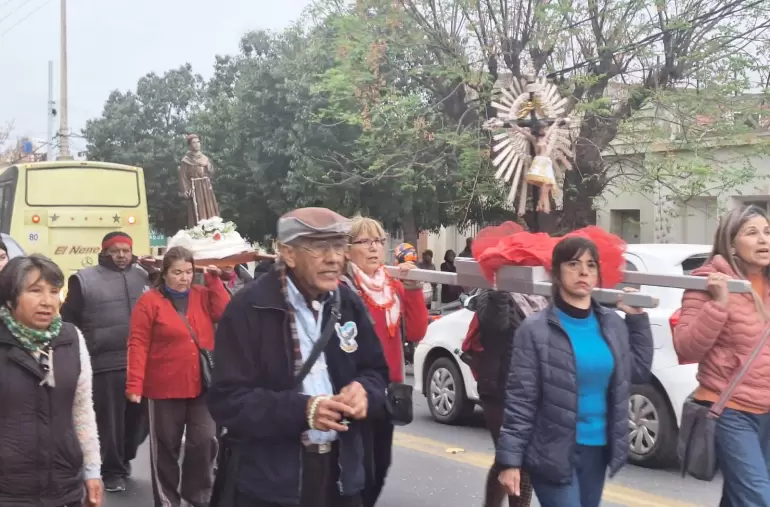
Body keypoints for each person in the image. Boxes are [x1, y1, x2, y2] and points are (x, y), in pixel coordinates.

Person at [207, 207, 389, 507]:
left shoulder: (347, 302)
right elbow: (227, 401)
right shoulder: (249, 308)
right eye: (320, 247)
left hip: (342, 478)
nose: (335, 258)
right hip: (272, 485)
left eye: (339, 246)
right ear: (288, 253)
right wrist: (303, 410)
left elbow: (376, 371)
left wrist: (365, 392)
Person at [496, 236, 653, 507]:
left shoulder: (612, 324)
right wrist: (510, 461)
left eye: (591, 266)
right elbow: (521, 400)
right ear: (556, 272)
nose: (584, 272)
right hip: (552, 450)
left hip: (597, 449)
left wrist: (637, 320)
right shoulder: (535, 330)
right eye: (574, 264)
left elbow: (637, 372)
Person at [674, 205, 770, 506]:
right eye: (752, 233)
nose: (764, 239)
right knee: (756, 498)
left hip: (766, 411)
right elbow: (686, 347)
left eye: (767, 232)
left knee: (740, 497)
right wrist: (719, 305)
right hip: (729, 409)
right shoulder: (708, 282)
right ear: (731, 243)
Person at [126, 246, 230, 507]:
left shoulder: (201, 295)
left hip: (202, 386)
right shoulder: (149, 301)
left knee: (206, 441)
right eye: (177, 272)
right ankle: (167, 500)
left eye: (189, 271)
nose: (184, 278)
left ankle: (198, 495)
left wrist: (214, 279)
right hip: (163, 389)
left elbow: (224, 312)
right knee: (165, 450)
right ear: (165, 273)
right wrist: (134, 383)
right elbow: (138, 343)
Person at [0, 255, 103, 507]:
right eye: (35, 291)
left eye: (54, 291)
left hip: (64, 485)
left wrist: (92, 471)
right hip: (8, 490)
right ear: (11, 298)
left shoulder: (71, 339)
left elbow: (81, 410)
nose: (47, 302)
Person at [343, 216, 429, 507]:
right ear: (347, 249)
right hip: (354, 390)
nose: (374, 248)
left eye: (379, 241)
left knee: (380, 465)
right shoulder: (342, 288)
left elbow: (417, 331)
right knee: (359, 469)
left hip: (388, 390)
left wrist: (415, 288)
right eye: (365, 242)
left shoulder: (393, 287)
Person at [59, 231, 154, 493]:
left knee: (139, 419)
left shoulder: (143, 276)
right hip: (104, 362)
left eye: (126, 250)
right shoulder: (84, 280)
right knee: (109, 421)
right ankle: (111, 469)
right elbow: (68, 319)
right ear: (104, 252)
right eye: (116, 250)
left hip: (141, 361)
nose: (121, 255)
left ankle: (124, 457)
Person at [470, 289, 548, 507]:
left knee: (510, 460)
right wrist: (500, 288)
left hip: (532, 390)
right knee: (515, 460)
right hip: (499, 389)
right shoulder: (491, 295)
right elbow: (496, 326)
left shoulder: (543, 295)